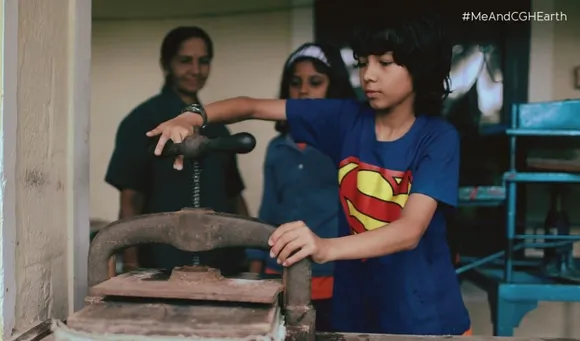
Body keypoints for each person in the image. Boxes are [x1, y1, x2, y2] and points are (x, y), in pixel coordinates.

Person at [146, 11, 472, 336]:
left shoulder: (438, 137)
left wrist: (325, 247)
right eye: (362, 62)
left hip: (425, 315)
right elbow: (252, 106)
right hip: (355, 310)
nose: (368, 75)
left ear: (420, 67)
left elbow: (409, 231)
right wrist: (191, 117)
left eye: (384, 63)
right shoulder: (346, 118)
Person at [105, 26, 249, 276]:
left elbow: (235, 196)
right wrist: (131, 266)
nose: (195, 70)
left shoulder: (218, 128)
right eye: (185, 61)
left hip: (222, 263)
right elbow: (130, 200)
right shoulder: (142, 121)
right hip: (161, 262)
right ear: (166, 64)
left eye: (203, 62)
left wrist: (249, 254)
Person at [246, 42, 357, 332]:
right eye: (295, 83)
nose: (304, 91)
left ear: (334, 89)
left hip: (333, 275)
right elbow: (268, 209)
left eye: (315, 82)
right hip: (280, 273)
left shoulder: (346, 145)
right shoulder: (276, 148)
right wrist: (255, 272)